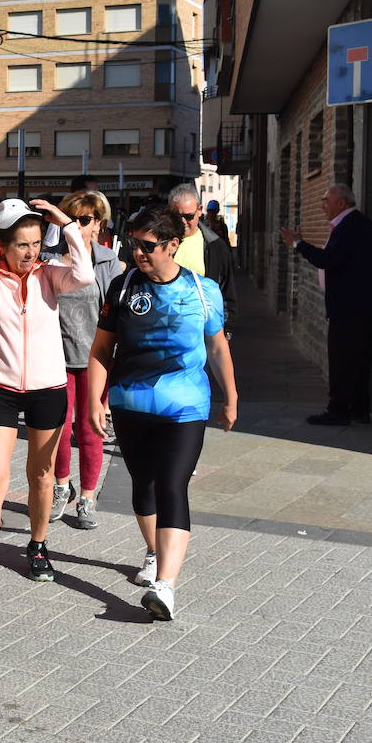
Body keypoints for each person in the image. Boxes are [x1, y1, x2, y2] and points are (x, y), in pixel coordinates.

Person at [88, 206, 237, 620]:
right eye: (134, 243)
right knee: (143, 485)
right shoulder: (122, 287)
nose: (139, 252)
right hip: (130, 402)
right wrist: (93, 401)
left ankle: (166, 586)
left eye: (148, 245)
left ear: (173, 245)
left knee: (173, 485)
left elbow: (218, 346)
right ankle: (154, 552)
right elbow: (101, 351)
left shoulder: (204, 291)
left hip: (186, 405)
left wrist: (232, 397)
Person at [0, 198, 93, 607]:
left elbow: (83, 272)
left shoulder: (51, 275)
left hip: (47, 388)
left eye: (35, 243)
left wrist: (63, 224)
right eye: (22, 244)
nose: (31, 252)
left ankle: (38, 545)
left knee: (41, 476)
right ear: (4, 245)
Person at [281, 183, 372, 425]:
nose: (322, 205)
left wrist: (298, 243)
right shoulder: (354, 225)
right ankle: (359, 409)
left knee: (344, 359)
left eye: (326, 200)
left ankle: (339, 410)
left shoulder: (351, 227)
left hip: (352, 308)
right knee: (358, 360)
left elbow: (328, 260)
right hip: (360, 306)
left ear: (341, 203)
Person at [46, 191, 122, 530]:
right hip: (56, 359)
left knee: (92, 430)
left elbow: (116, 319)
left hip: (96, 361)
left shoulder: (110, 263)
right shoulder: (49, 261)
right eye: (72, 218)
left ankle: (87, 497)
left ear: (99, 224)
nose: (78, 225)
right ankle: (62, 486)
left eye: (86, 219)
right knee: (58, 431)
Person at [167, 184, 235, 335]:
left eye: (188, 216)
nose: (183, 222)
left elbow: (227, 291)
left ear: (199, 210)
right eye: (177, 216)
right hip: (165, 330)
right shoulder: (158, 244)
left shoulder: (216, 246)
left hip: (204, 333)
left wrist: (227, 330)